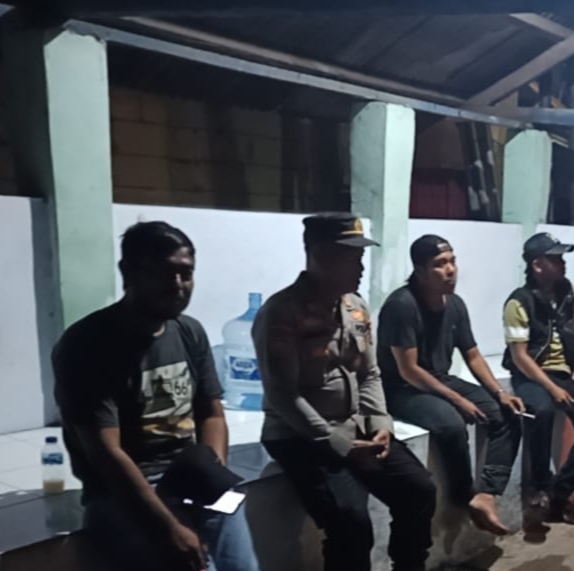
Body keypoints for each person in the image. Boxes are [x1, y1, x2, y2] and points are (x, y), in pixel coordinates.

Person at [52, 221, 260, 571]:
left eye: (186, 274)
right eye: (163, 273)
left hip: (189, 474)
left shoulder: (189, 331)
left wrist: (211, 476)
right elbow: (106, 453)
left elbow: (211, 414)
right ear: (128, 273)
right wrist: (168, 525)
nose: (177, 285)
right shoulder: (87, 345)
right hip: (125, 491)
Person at [253, 213, 436, 571]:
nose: (361, 267)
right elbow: (283, 395)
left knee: (418, 490)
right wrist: (339, 445)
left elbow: (368, 373)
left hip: (356, 426)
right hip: (299, 436)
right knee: (350, 522)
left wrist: (380, 424)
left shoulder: (355, 307)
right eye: (353, 258)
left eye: (361, 257)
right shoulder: (281, 313)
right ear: (321, 256)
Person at [378, 235, 525, 535]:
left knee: (508, 414)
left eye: (452, 262)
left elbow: (473, 355)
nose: (450, 270)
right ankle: (463, 497)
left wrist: (499, 392)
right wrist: (457, 400)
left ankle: (487, 495)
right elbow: (409, 370)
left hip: (439, 378)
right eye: (440, 264)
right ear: (420, 270)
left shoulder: (455, 304)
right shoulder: (401, 305)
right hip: (401, 388)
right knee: (451, 424)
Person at [502, 232, 574, 525]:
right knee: (542, 410)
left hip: (563, 373)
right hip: (532, 374)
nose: (563, 263)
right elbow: (520, 357)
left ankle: (559, 495)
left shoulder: (566, 290)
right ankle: (538, 486)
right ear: (537, 265)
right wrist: (551, 387)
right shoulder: (518, 302)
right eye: (555, 258)